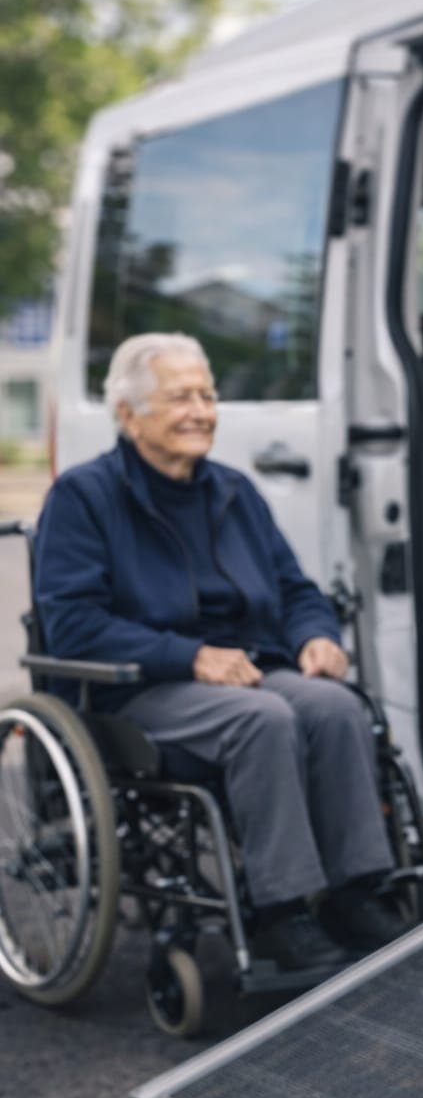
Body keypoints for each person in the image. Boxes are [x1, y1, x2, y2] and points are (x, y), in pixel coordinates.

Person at [34, 332, 399, 971]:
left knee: (335, 706)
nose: (201, 411)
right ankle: (280, 910)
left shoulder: (234, 491)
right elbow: (73, 625)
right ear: (128, 415)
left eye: (207, 396)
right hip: (137, 686)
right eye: (181, 398)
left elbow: (295, 589)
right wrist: (190, 656)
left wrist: (315, 635)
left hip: (246, 669)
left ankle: (354, 892)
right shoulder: (84, 498)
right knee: (263, 720)